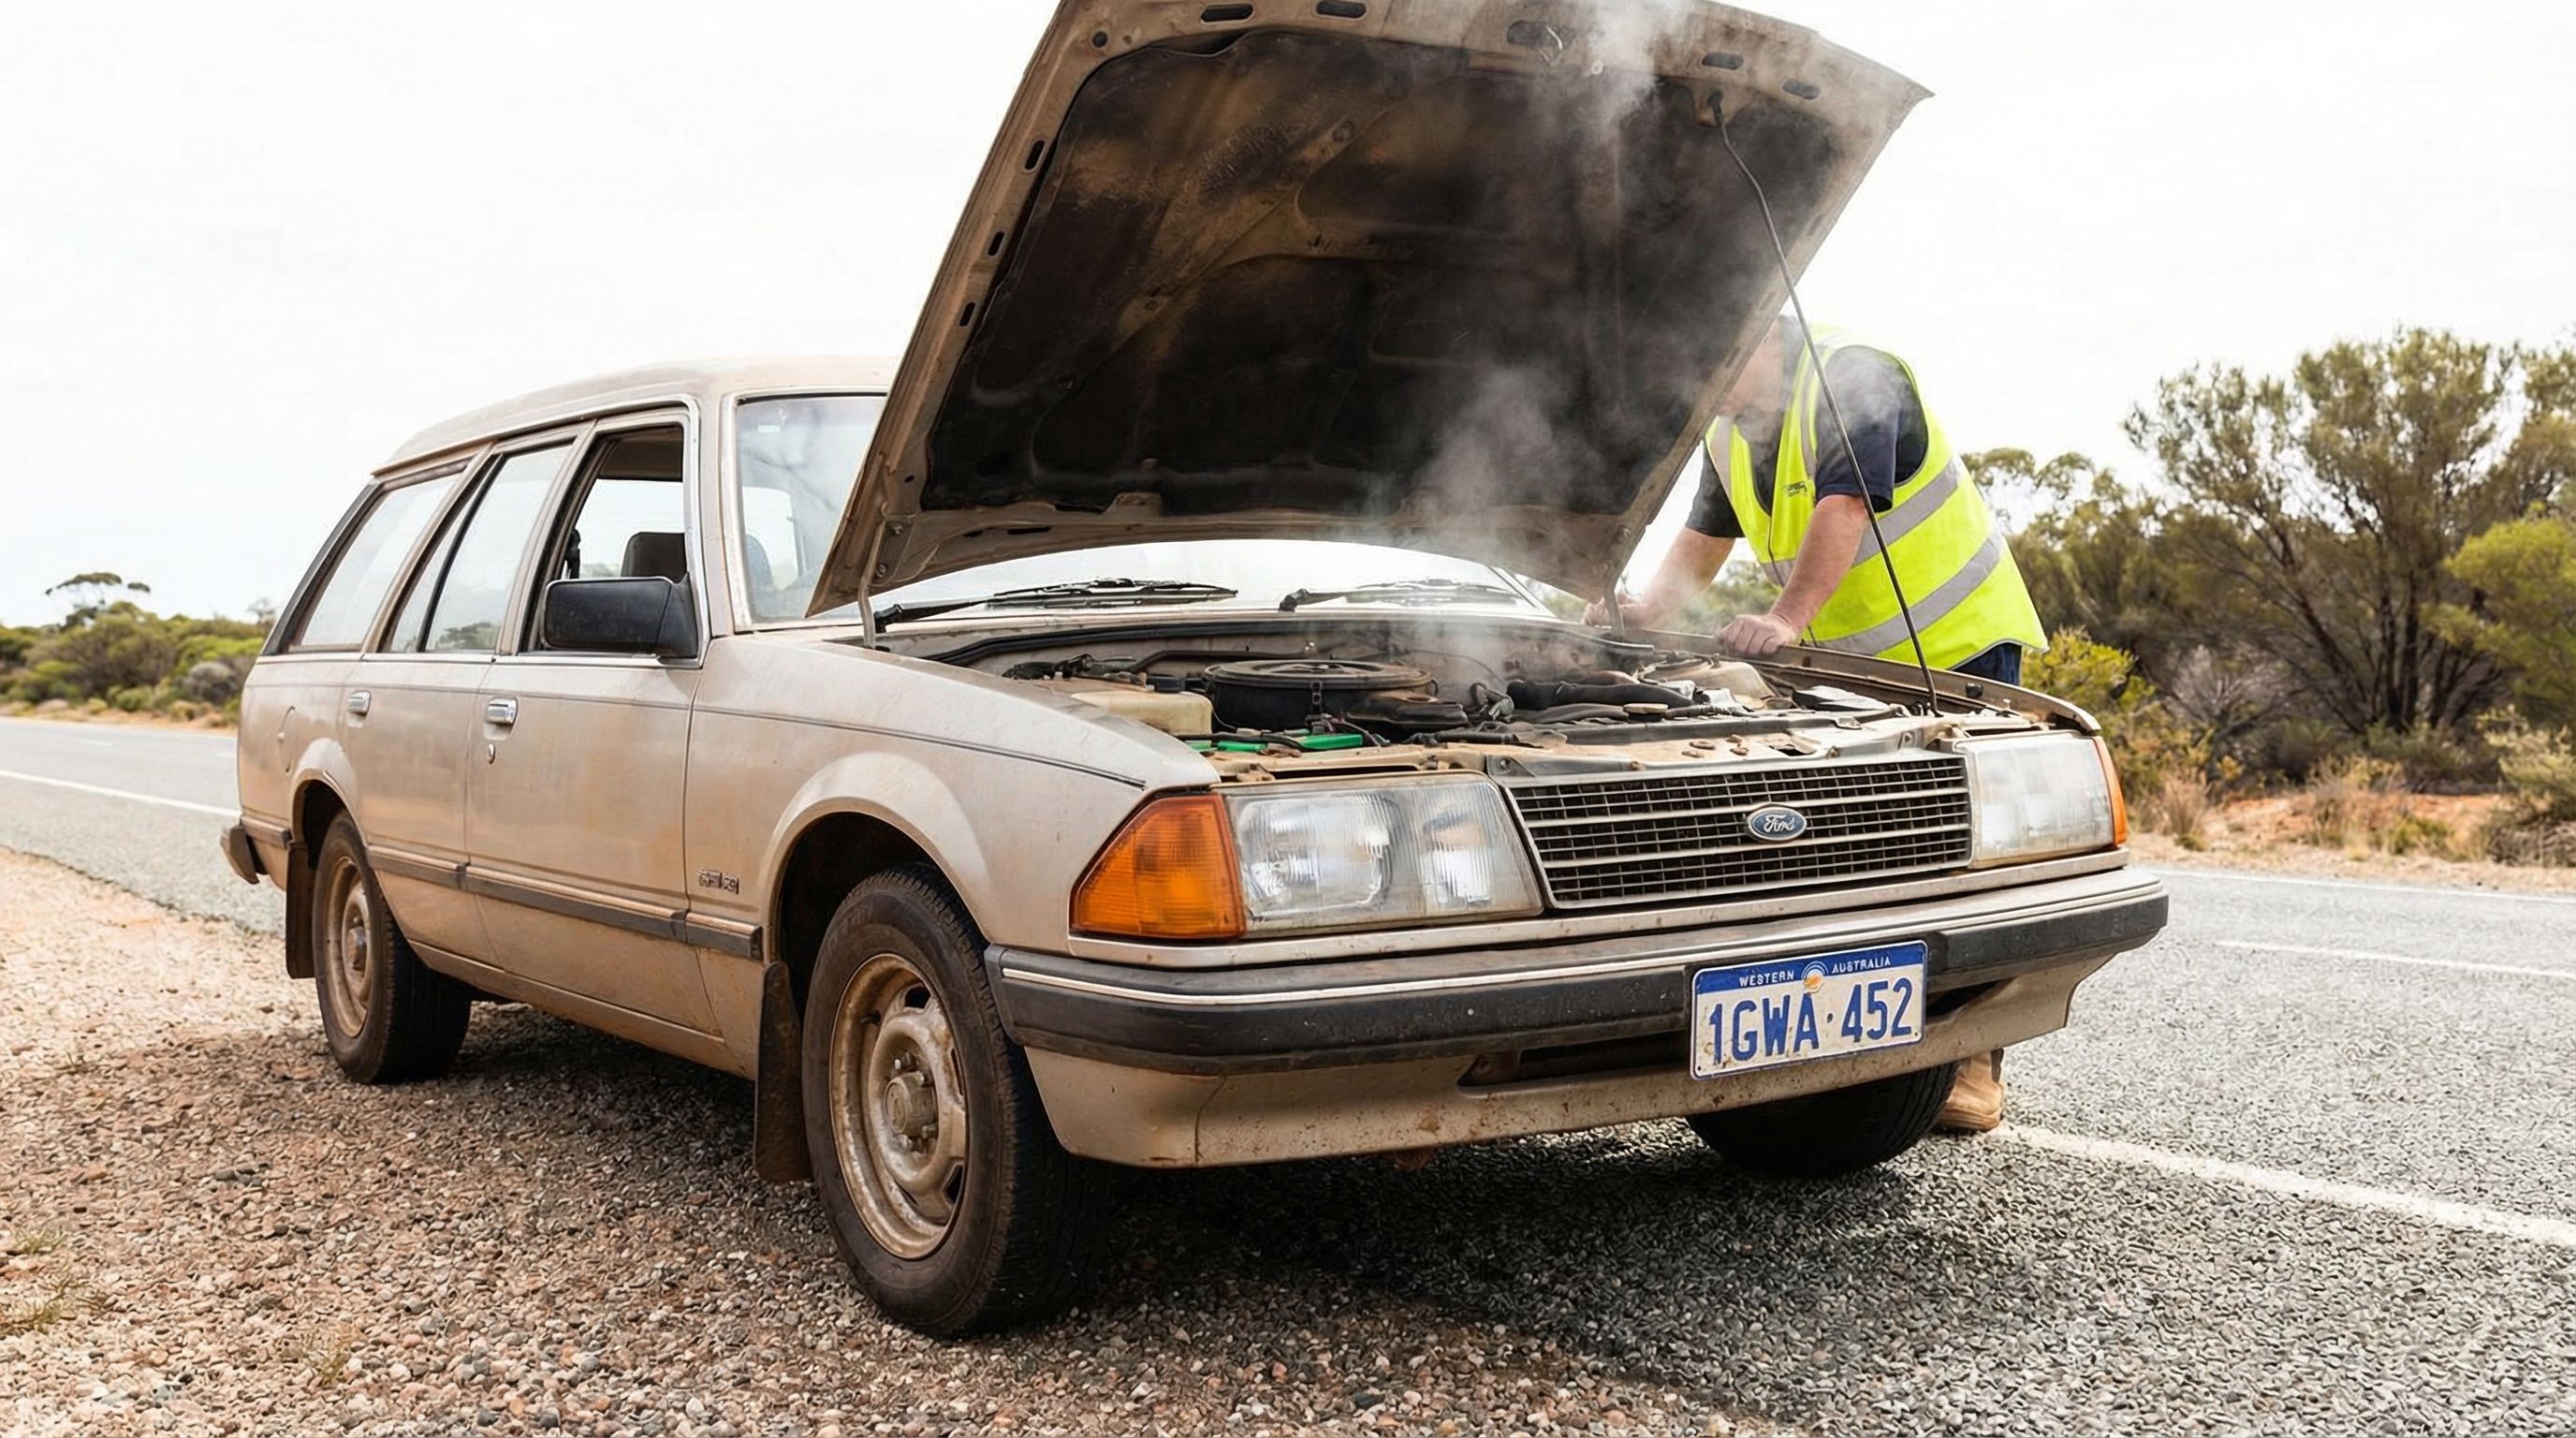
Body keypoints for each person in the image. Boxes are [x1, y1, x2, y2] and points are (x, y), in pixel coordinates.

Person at [1600, 316, 2046, 1133]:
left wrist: (1785, 619)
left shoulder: (1855, 378)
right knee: (1872, 852)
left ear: (1756, 335)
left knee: (1961, 855)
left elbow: (1845, 506)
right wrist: (1638, 615)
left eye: (1711, 370)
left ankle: (1975, 1065)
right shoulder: (1733, 434)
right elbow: (1701, 544)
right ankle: (1861, 1032)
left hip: (1960, 650)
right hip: (1855, 678)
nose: (1702, 394)